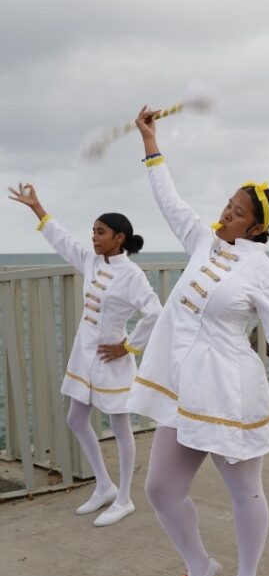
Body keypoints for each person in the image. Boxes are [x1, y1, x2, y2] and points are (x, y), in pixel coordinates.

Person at [131, 106, 269, 576]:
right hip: (182, 390)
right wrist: (151, 143)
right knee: (161, 489)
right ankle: (200, 564)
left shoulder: (262, 270)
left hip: (230, 391)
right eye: (228, 205)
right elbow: (170, 202)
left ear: (257, 227)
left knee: (243, 491)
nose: (226, 213)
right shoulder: (201, 242)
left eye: (237, 211)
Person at [7, 184, 161, 527]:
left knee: (121, 428)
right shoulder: (91, 261)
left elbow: (155, 313)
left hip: (113, 361)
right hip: (84, 357)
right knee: (76, 420)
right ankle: (104, 485)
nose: (93, 237)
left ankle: (124, 497)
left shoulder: (131, 274)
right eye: (92, 231)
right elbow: (61, 240)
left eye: (100, 232)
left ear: (119, 238)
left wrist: (129, 345)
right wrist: (37, 208)